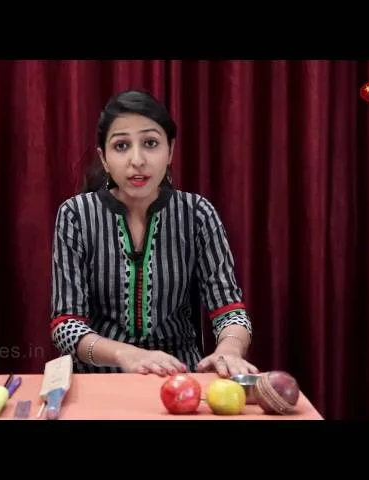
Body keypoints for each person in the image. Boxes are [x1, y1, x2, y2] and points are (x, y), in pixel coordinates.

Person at [49, 89, 258, 378]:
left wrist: (230, 349)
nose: (137, 160)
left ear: (170, 151)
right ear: (104, 158)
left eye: (150, 143)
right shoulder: (76, 214)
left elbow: (229, 310)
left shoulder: (197, 213)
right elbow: (65, 325)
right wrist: (125, 354)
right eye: (121, 146)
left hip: (178, 375)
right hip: (99, 377)